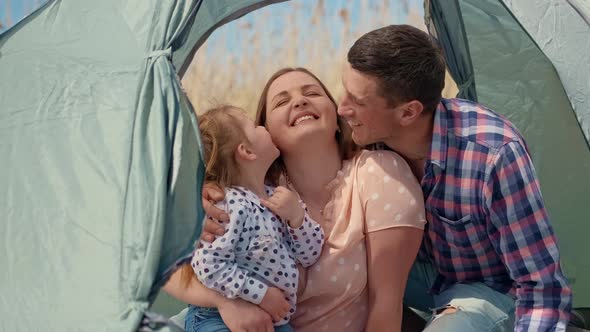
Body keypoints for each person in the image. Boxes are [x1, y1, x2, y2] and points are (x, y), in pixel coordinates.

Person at [336, 24, 572, 331]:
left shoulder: (494, 154)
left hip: (491, 291)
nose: (342, 108)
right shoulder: (369, 136)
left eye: (357, 101)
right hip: (424, 277)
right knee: (337, 277)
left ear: (408, 113)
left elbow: (541, 288)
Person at [165, 67, 426, 332]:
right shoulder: (240, 195)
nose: (300, 101)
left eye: (312, 92)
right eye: (281, 101)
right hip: (227, 318)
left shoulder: (376, 172)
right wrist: (226, 303)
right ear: (265, 133)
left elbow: (386, 302)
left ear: (338, 120)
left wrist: (297, 220)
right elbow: (166, 269)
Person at [182, 105, 325, 332]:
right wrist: (261, 294)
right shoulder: (226, 205)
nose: (262, 127)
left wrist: (297, 217)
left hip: (275, 321)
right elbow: (207, 265)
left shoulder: (279, 199)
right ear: (246, 151)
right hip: (217, 317)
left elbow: (309, 255)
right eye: (254, 125)